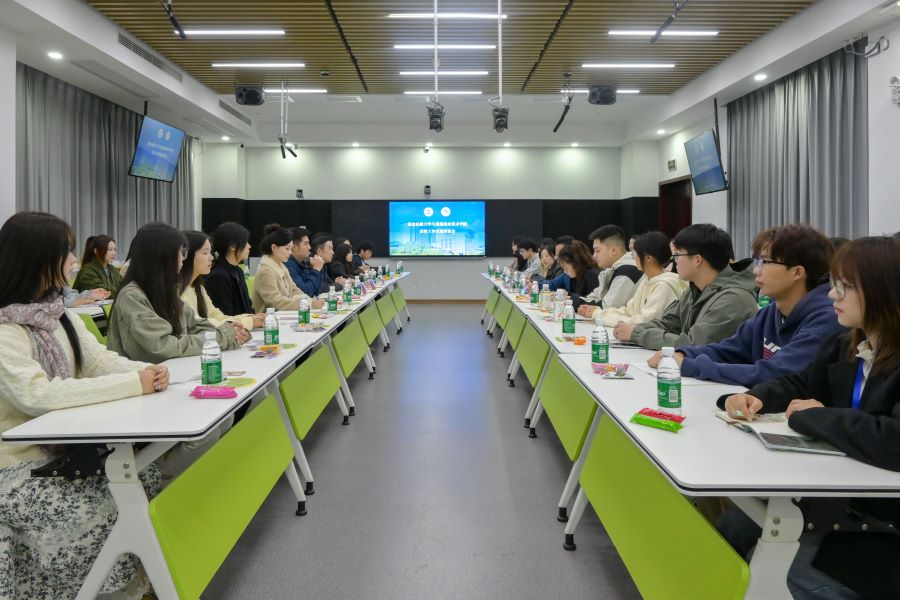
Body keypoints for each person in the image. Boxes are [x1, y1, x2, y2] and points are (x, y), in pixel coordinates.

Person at [719, 236, 900, 599]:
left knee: (776, 572)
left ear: (882, 290)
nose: (832, 295)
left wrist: (816, 416)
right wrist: (755, 397)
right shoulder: (847, 343)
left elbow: (892, 440)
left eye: (844, 286)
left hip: (880, 521)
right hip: (835, 497)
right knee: (734, 526)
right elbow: (799, 383)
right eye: (834, 284)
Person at [0, 212, 168, 598]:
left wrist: (147, 372)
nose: (74, 260)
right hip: (17, 465)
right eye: (67, 252)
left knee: (146, 477)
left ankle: (144, 582)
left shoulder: (57, 315)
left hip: (63, 454)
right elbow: (39, 395)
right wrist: (133, 383)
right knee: (103, 508)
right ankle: (108, 588)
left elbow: (97, 361)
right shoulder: (7, 330)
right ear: (38, 260)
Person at [648, 224, 841, 386]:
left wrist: (689, 365)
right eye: (758, 262)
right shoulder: (771, 312)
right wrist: (682, 353)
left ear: (797, 272)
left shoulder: (826, 319)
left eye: (765, 262)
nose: (756, 271)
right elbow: (729, 349)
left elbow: (775, 373)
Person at [107, 223, 246, 363]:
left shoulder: (163, 291)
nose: (183, 258)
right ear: (163, 256)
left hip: (170, 369)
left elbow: (196, 325)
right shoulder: (133, 296)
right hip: (147, 373)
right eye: (180, 252)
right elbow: (163, 346)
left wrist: (226, 332)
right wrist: (221, 337)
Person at [614, 224, 757, 350]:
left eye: (677, 255)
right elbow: (669, 324)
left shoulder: (734, 299)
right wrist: (633, 329)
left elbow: (693, 344)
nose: (675, 262)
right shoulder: (695, 289)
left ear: (697, 260)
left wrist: (636, 334)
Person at [590, 231, 685, 327]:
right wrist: (599, 313)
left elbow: (644, 322)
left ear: (648, 258)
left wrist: (600, 315)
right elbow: (630, 311)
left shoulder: (663, 286)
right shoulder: (648, 280)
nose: (633, 258)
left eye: (635, 254)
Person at [180, 230, 265, 331]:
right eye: (205, 253)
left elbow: (216, 316)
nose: (211, 257)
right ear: (186, 255)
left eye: (210, 252)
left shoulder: (198, 287)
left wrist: (249, 318)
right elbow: (199, 324)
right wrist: (247, 322)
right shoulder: (179, 290)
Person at [576, 225, 642, 313]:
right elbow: (595, 297)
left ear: (613, 250)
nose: (594, 256)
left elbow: (606, 308)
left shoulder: (627, 271)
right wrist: (571, 299)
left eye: (597, 250)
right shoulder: (611, 270)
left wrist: (573, 301)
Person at [251, 223, 316, 312]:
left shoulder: (281, 266)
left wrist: (309, 300)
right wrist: (308, 303)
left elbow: (294, 290)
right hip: (267, 319)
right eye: (287, 249)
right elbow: (276, 302)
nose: (290, 252)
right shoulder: (265, 271)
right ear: (274, 247)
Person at [204, 221, 255, 318]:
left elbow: (247, 307)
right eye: (245, 242)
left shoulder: (238, 271)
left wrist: (255, 317)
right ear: (233, 246)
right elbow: (224, 315)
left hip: (244, 324)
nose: (249, 246)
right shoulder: (218, 277)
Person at [286, 227, 329, 299]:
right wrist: (316, 269)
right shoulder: (288, 265)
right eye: (306, 244)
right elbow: (305, 293)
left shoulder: (303, 263)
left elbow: (318, 290)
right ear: (294, 247)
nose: (309, 247)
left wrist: (317, 268)